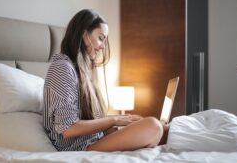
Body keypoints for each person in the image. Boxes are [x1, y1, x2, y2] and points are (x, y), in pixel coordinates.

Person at [43, 9, 167, 152]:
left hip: (95, 139)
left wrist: (122, 119)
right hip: (79, 147)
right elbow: (67, 129)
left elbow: (87, 118)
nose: (102, 47)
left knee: (164, 128)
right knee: (153, 126)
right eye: (101, 38)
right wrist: (114, 120)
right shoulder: (62, 68)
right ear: (84, 34)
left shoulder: (81, 70)